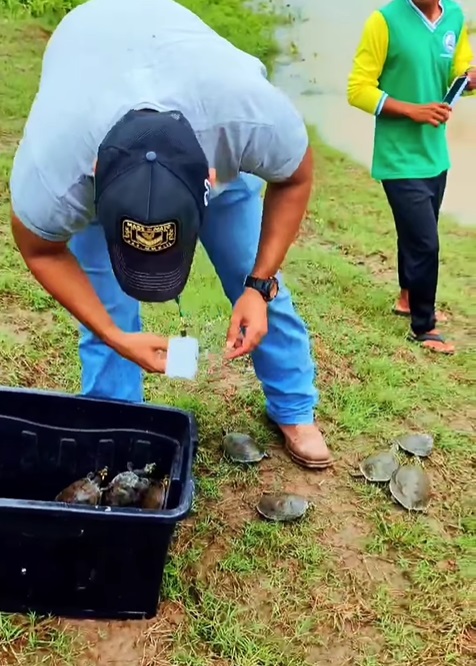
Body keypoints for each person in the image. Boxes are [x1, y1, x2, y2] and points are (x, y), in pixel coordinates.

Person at [9, 0, 333, 470]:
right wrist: (116, 335)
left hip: (194, 103)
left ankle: (294, 409)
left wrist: (259, 285)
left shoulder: (245, 115)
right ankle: (113, 423)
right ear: (95, 181)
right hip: (90, 52)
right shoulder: (58, 168)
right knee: (107, 311)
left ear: (210, 177)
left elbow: (296, 178)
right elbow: (40, 250)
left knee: (256, 279)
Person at [348, 0, 475, 355]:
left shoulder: (453, 16)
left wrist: (467, 81)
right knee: (425, 243)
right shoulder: (384, 22)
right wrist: (411, 110)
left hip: (435, 154)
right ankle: (425, 326)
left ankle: (407, 297)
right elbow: (358, 89)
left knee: (415, 232)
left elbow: (458, 71)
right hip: (398, 157)